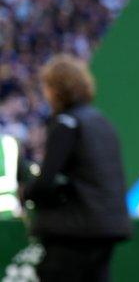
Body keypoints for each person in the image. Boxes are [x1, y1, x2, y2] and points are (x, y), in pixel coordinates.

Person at [20, 54, 132, 281]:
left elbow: (46, 179)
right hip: (108, 226)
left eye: (48, 87)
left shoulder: (67, 123)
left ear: (57, 89)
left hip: (74, 229)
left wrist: (28, 193)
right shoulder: (101, 121)